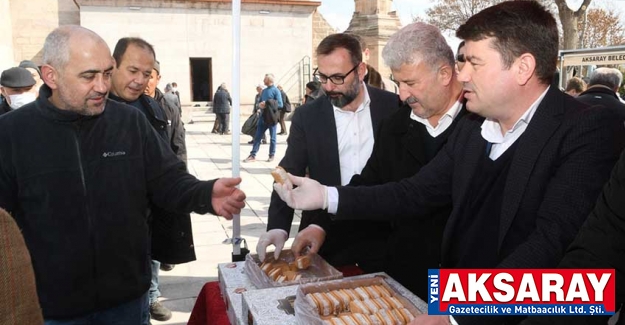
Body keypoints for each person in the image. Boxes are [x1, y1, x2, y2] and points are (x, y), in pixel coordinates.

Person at [272, 2, 625, 325]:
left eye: (473, 62)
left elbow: (551, 244)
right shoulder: (475, 127)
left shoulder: (585, 128)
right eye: (461, 62)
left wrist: (458, 315)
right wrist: (326, 197)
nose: (463, 74)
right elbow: (414, 192)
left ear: (523, 67)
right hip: (455, 298)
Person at [0, 25, 246, 324]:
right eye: (89, 76)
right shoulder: (11, 135)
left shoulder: (130, 122)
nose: (103, 86)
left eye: (107, 73)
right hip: (51, 308)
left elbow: (167, 180)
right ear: (51, 75)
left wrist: (206, 194)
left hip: (128, 299)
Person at [290, 22, 466, 300]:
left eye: (410, 83)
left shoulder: (481, 125)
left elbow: (413, 194)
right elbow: (369, 182)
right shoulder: (396, 124)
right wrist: (320, 223)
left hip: (466, 287)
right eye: (397, 83)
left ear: (444, 73)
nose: (402, 95)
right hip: (404, 279)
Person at [256, 33, 401, 271]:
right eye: (322, 77)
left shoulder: (393, 107)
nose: (329, 86)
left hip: (385, 233)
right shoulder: (308, 116)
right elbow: (288, 171)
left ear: (361, 70)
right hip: (324, 234)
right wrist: (278, 227)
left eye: (337, 77)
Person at [145, 61, 190, 276]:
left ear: (158, 78)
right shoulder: (123, 108)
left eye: (149, 75)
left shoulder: (169, 107)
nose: (144, 81)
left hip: (164, 182)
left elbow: (179, 146)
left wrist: (182, 181)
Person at [244, 73, 283, 163]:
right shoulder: (264, 91)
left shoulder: (276, 91)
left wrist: (268, 103)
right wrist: (260, 105)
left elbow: (280, 104)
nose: (263, 81)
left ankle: (271, 155)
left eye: (264, 79)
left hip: (271, 117)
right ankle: (253, 155)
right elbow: (260, 102)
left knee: (273, 137)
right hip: (262, 116)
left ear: (269, 80)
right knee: (257, 136)